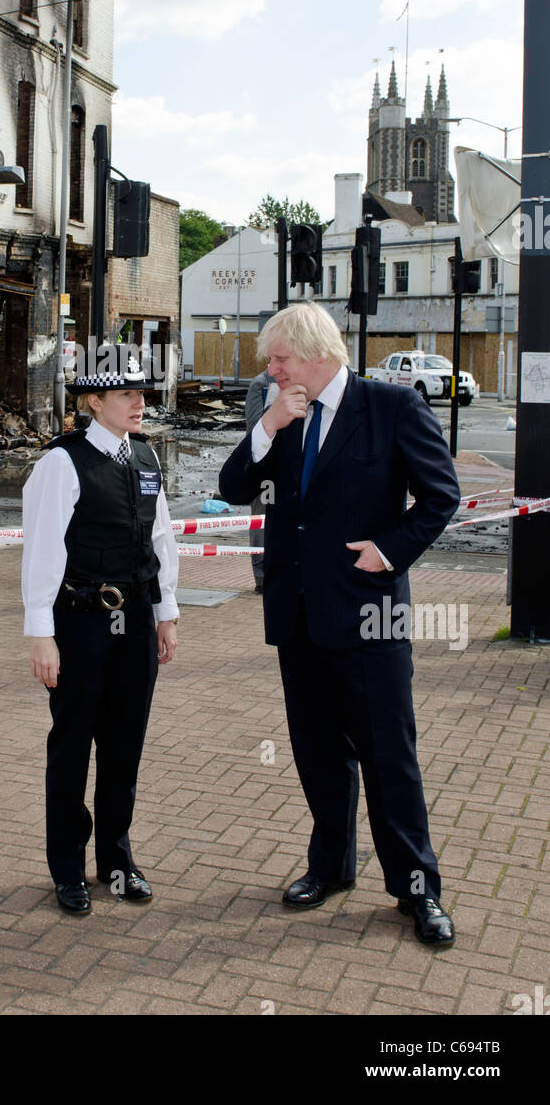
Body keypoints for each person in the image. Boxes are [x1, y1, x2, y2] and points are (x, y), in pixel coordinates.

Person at [218, 303, 460, 946]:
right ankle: (329, 869)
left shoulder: (393, 408)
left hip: (370, 616)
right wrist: (268, 423)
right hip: (298, 616)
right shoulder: (283, 414)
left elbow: (441, 497)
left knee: (390, 758)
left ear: (316, 354)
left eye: (280, 359)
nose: (270, 369)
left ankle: (418, 890)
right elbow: (235, 483)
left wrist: (388, 549)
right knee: (319, 756)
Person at [22, 348, 179, 915]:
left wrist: (166, 612)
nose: (140, 402)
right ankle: (67, 866)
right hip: (81, 622)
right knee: (72, 746)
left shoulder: (145, 456)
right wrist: (41, 633)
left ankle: (116, 860)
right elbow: (42, 549)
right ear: (94, 402)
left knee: (123, 747)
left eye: (142, 393)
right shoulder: (61, 463)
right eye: (126, 394)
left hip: (135, 620)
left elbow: (159, 540)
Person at [244, 367, 277, 593]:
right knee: (261, 522)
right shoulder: (261, 384)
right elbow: (254, 427)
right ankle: (261, 576)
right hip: (265, 470)